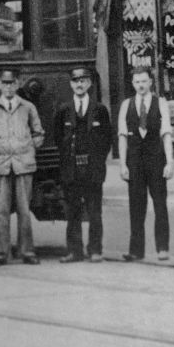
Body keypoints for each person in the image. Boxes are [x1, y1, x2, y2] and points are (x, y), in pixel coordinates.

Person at [0, 68, 44, 266]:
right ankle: (1, 253)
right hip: (1, 165)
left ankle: (27, 251)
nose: (8, 87)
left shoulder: (28, 107)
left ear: (17, 84)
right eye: (5, 83)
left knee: (24, 211)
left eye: (12, 83)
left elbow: (38, 133)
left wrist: (27, 148)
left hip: (23, 164)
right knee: (1, 211)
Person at [52, 67, 113, 263]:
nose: (79, 84)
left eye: (83, 81)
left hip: (92, 168)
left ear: (89, 84)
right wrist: (67, 159)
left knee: (95, 211)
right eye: (76, 81)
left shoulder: (100, 109)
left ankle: (95, 250)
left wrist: (96, 161)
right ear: (71, 84)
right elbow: (58, 138)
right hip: (71, 169)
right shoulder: (64, 110)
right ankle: (74, 251)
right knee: (73, 211)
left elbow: (106, 139)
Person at [118, 68, 174, 262]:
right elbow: (122, 136)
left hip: (156, 159)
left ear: (151, 82)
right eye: (136, 82)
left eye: (144, 81)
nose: (140, 86)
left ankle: (162, 248)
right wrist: (123, 165)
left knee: (160, 204)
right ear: (132, 84)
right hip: (134, 160)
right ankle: (136, 250)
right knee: (136, 205)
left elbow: (166, 133)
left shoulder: (161, 103)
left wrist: (170, 162)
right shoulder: (127, 105)